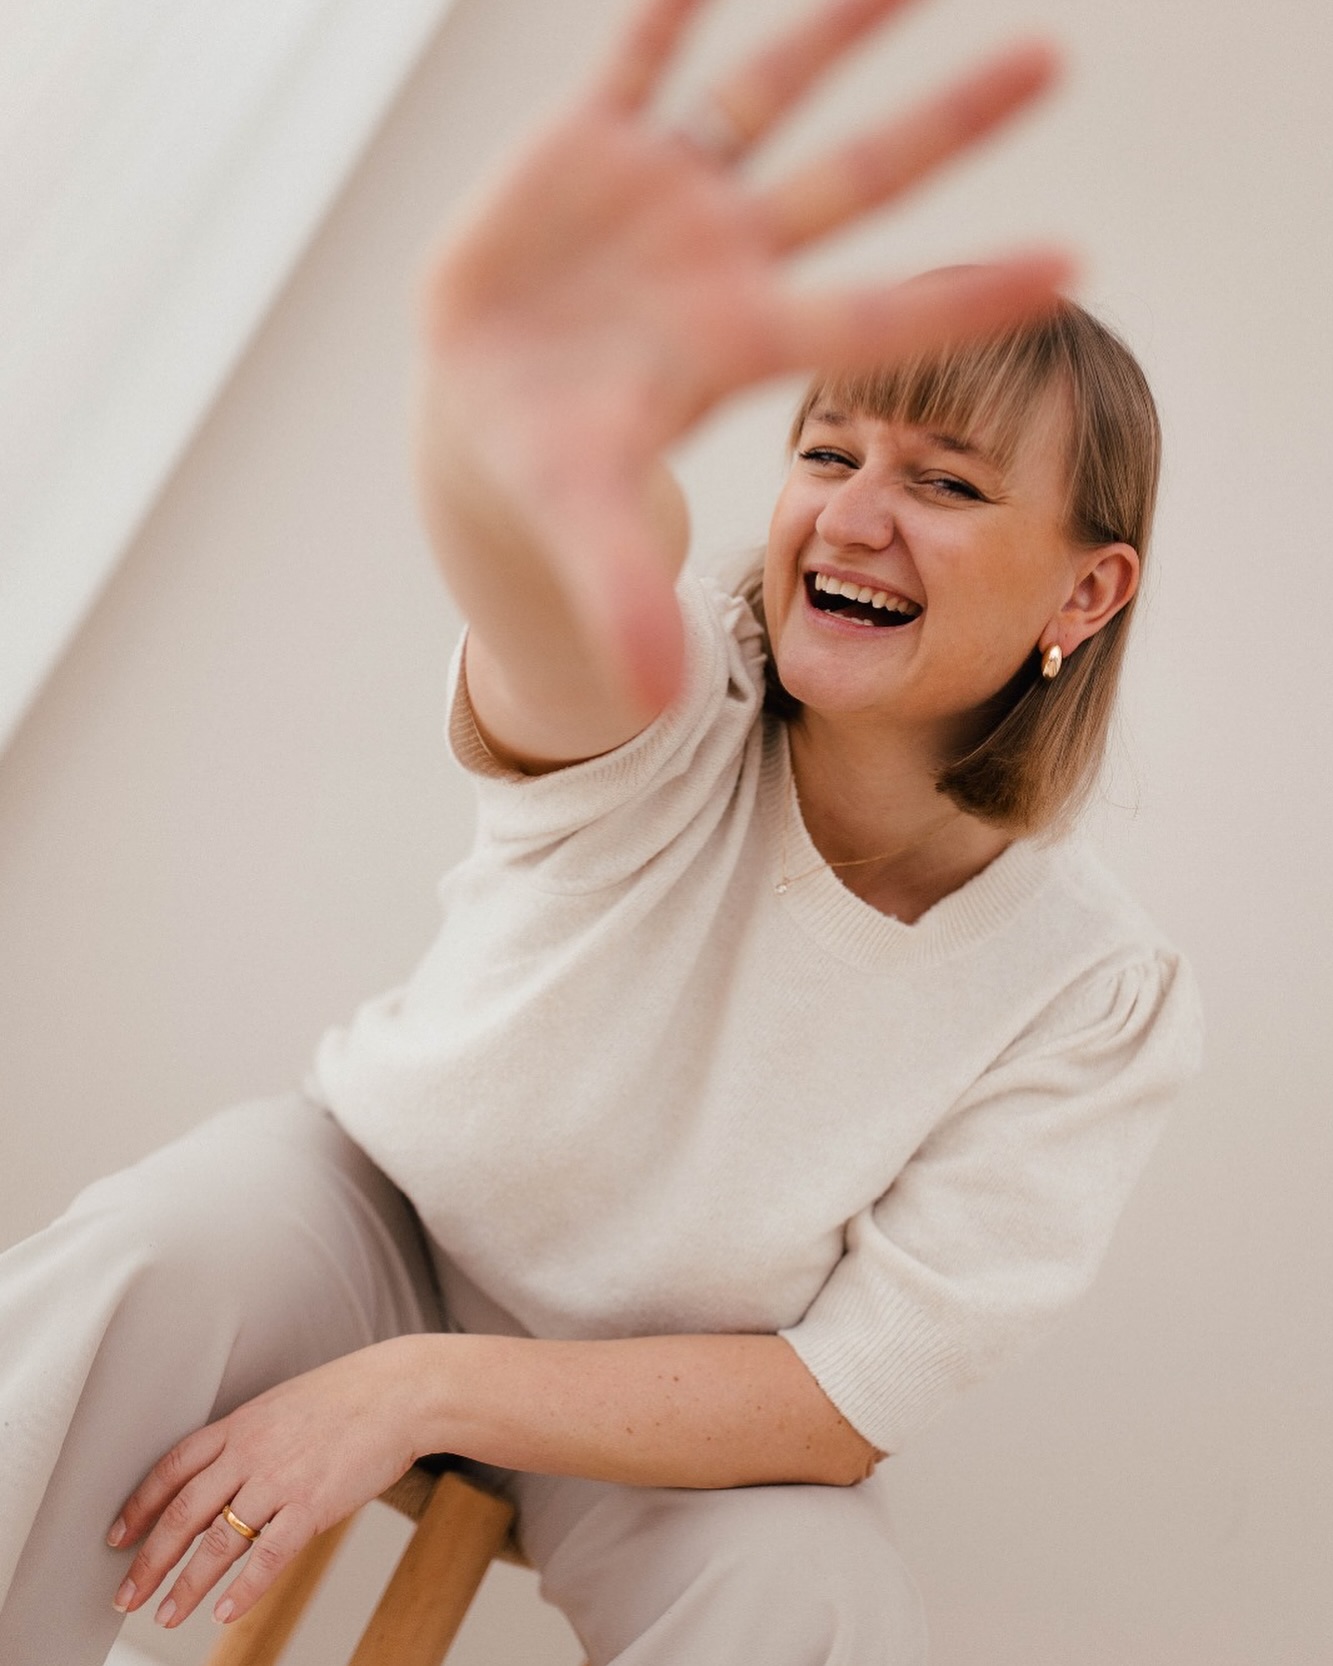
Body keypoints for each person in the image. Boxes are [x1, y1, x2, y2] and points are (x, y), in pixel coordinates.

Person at [0, 0, 1203, 1661]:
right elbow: (566, 564)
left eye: (943, 482)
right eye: (822, 449)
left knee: (811, 1595)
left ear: (1086, 588)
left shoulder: (1094, 993)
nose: (849, 512)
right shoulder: (680, 701)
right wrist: (509, 410)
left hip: (664, 1394)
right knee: (153, 1250)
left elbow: (839, 1398)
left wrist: (415, 1387)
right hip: (374, 1210)